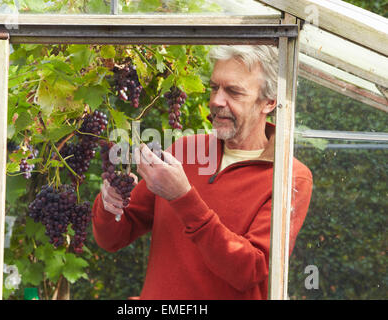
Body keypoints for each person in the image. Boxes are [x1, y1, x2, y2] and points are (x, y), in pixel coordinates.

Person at [91, 45, 313, 300]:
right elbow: (111, 239)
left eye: (233, 91)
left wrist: (183, 198)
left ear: (269, 102)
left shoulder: (289, 176)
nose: (217, 101)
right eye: (215, 88)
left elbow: (250, 270)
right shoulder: (184, 151)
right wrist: (110, 205)